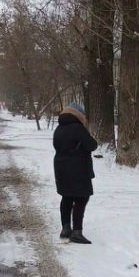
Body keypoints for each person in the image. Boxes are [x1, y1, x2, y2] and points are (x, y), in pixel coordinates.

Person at [53, 102, 98, 244]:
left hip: (60, 166)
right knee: (81, 198)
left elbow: (56, 145)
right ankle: (77, 232)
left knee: (67, 197)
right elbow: (92, 145)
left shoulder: (59, 128)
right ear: (79, 115)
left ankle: (66, 228)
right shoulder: (78, 128)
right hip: (78, 168)